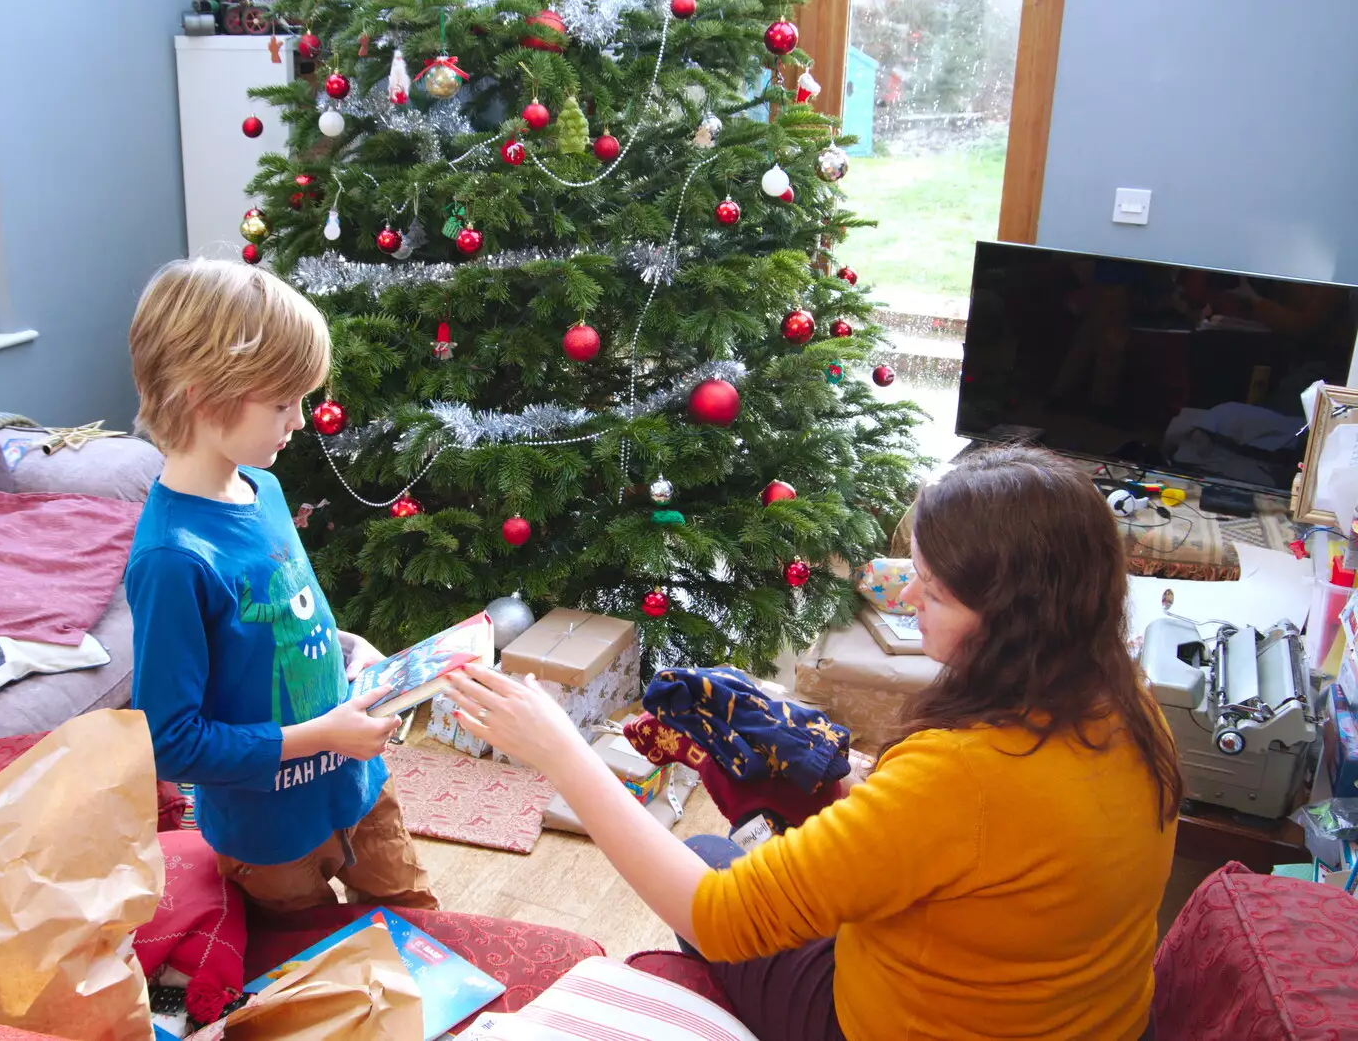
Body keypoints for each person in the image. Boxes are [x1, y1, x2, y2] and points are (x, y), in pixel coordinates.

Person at [446, 445, 1179, 1040]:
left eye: (935, 590)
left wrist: (561, 753)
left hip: (905, 1023)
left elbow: (719, 916)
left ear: (1014, 618)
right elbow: (985, 857)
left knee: (703, 863)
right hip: (1075, 1018)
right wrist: (852, 779)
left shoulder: (963, 773)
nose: (910, 599)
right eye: (912, 574)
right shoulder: (1125, 701)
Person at [125, 258, 437, 913]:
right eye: (282, 403)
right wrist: (322, 735)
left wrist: (354, 660)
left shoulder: (260, 486)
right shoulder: (172, 561)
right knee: (314, 968)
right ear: (204, 399)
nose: (300, 419)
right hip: (269, 838)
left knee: (420, 925)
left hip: (356, 788)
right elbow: (170, 741)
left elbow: (282, 622)